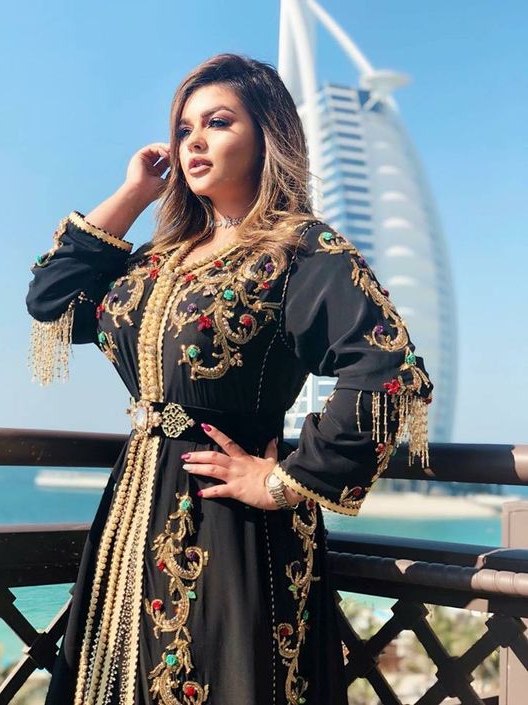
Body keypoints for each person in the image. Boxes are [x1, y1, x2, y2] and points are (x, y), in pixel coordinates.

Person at [26, 53, 433, 705]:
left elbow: (390, 368)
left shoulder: (297, 249)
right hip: (132, 516)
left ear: (267, 134)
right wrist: (136, 193)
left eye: (217, 123)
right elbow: (53, 300)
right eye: (184, 128)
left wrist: (283, 480)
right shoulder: (157, 262)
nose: (194, 141)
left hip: (231, 521)